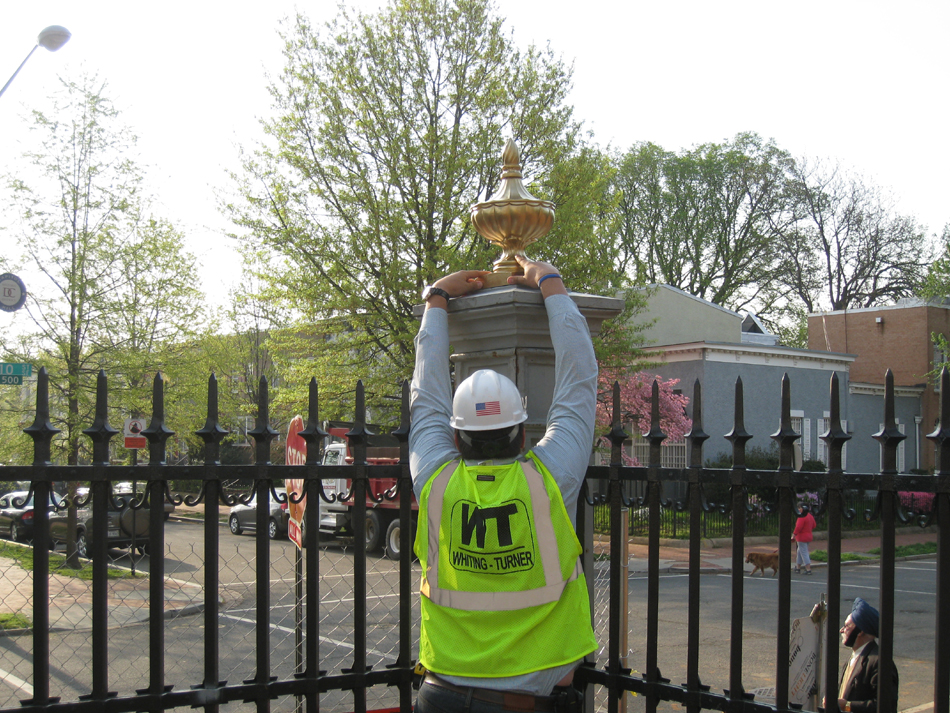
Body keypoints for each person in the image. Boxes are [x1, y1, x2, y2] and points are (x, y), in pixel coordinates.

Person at [410, 255, 598, 713]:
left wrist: (436, 298)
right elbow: (580, 380)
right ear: (525, 435)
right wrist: (550, 282)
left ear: (455, 435)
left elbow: (425, 394)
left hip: (439, 697)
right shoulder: (549, 480)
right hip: (526, 704)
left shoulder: (434, 480)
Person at [826, 597, 899, 713]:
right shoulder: (854, 657)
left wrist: (847, 705)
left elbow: (886, 706)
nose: (841, 630)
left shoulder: (880, 662)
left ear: (860, 631)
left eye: (847, 626)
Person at [792, 504, 816, 574]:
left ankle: (808, 569)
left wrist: (793, 535)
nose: (799, 509)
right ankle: (798, 567)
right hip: (809, 536)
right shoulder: (810, 516)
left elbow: (798, 527)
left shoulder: (801, 516)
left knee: (804, 552)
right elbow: (814, 525)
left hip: (801, 537)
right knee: (800, 551)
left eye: (800, 508)